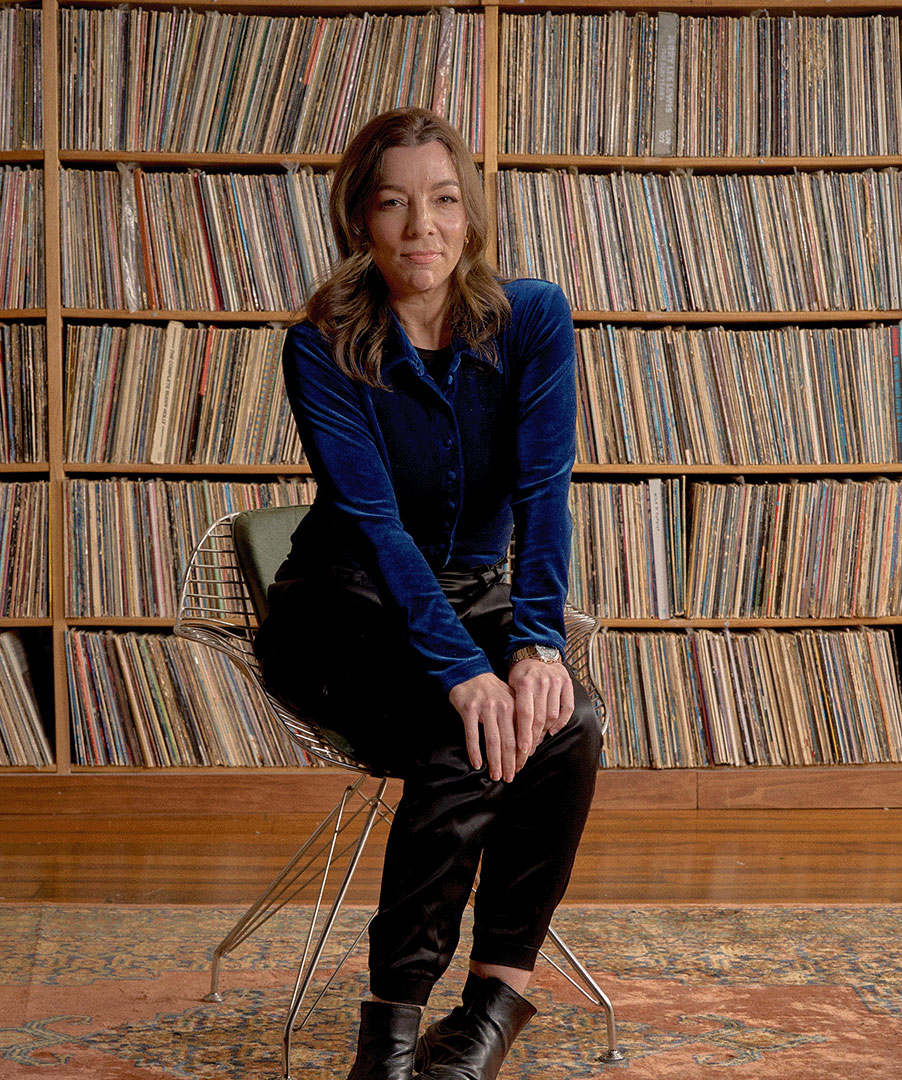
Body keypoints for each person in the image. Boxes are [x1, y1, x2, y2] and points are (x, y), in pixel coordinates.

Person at [255, 106, 602, 1080]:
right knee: (468, 733)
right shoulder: (322, 342)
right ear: (360, 218)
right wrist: (463, 673)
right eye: (395, 204)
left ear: (472, 213)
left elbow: (544, 491)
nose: (423, 229)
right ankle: (391, 1032)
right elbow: (376, 529)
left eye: (444, 201)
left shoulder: (532, 318)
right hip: (339, 609)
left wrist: (536, 646)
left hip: (476, 597)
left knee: (568, 720)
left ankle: (488, 1012)